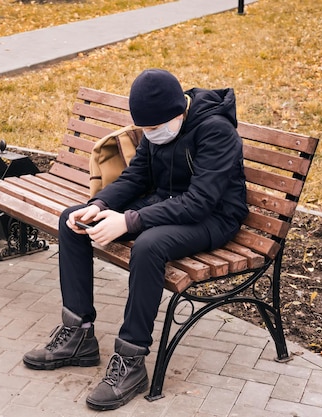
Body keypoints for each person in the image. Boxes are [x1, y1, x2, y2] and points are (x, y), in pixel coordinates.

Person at [22, 69, 249, 411]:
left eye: (154, 128)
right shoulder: (155, 128)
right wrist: (98, 206)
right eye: (145, 129)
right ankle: (79, 333)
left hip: (214, 218)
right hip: (166, 205)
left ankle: (131, 360)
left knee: (149, 246)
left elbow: (201, 202)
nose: (149, 135)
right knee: (73, 219)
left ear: (179, 113)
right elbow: (136, 176)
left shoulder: (216, 131)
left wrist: (130, 221)